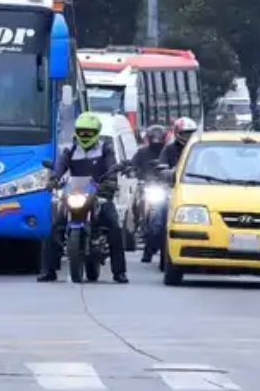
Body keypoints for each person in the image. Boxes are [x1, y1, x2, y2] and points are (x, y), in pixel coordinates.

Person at [38, 112, 128, 284]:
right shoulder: (70, 151)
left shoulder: (105, 149)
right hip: (75, 193)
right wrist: (54, 179)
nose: (85, 135)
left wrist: (111, 180)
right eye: (82, 131)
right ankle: (49, 270)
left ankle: (119, 272)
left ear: (97, 132)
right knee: (55, 227)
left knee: (114, 227)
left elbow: (111, 165)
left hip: (99, 195)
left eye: (89, 132)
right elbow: (60, 166)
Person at [132, 124, 169, 263]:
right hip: (147, 186)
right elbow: (133, 164)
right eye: (154, 138)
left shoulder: (168, 151)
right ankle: (139, 222)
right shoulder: (142, 153)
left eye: (159, 138)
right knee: (138, 200)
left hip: (164, 188)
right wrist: (132, 170)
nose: (156, 141)